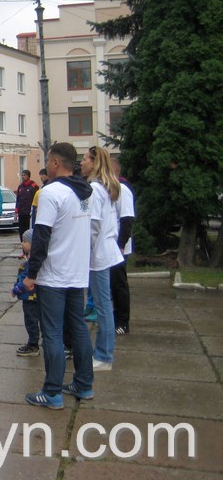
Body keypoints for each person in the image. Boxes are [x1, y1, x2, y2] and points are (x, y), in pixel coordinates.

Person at [23, 142, 93, 410]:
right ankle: (84, 384)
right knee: (78, 328)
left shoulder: (52, 192)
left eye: (48, 160)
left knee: (51, 333)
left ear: (54, 163)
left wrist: (32, 274)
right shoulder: (84, 192)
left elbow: (41, 236)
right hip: (77, 273)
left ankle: (52, 392)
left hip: (54, 275)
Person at [80, 146, 123, 372]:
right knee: (104, 305)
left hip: (99, 254)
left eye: (85, 159)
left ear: (95, 163)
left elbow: (93, 225)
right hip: (105, 251)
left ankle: (104, 355)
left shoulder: (96, 189)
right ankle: (104, 353)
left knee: (103, 306)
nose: (82, 163)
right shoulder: (106, 188)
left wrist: (84, 251)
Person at [110, 158, 135, 335]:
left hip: (118, 247)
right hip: (109, 246)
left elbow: (127, 219)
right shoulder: (109, 189)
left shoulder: (122, 190)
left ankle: (123, 322)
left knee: (119, 285)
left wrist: (120, 246)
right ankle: (115, 317)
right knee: (112, 285)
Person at [12, 229, 39, 357]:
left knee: (31, 320)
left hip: (30, 297)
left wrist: (16, 289)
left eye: (25, 241)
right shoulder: (30, 259)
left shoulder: (32, 262)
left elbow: (26, 280)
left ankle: (33, 344)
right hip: (29, 297)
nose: (22, 244)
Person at [15, 169, 39, 241]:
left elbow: (37, 198)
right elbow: (18, 199)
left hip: (30, 213)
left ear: (28, 176)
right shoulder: (20, 186)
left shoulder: (34, 186)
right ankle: (23, 248)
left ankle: (29, 249)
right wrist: (16, 212)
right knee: (21, 231)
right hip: (21, 213)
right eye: (22, 175)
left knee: (29, 231)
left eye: (24, 175)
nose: (22, 177)